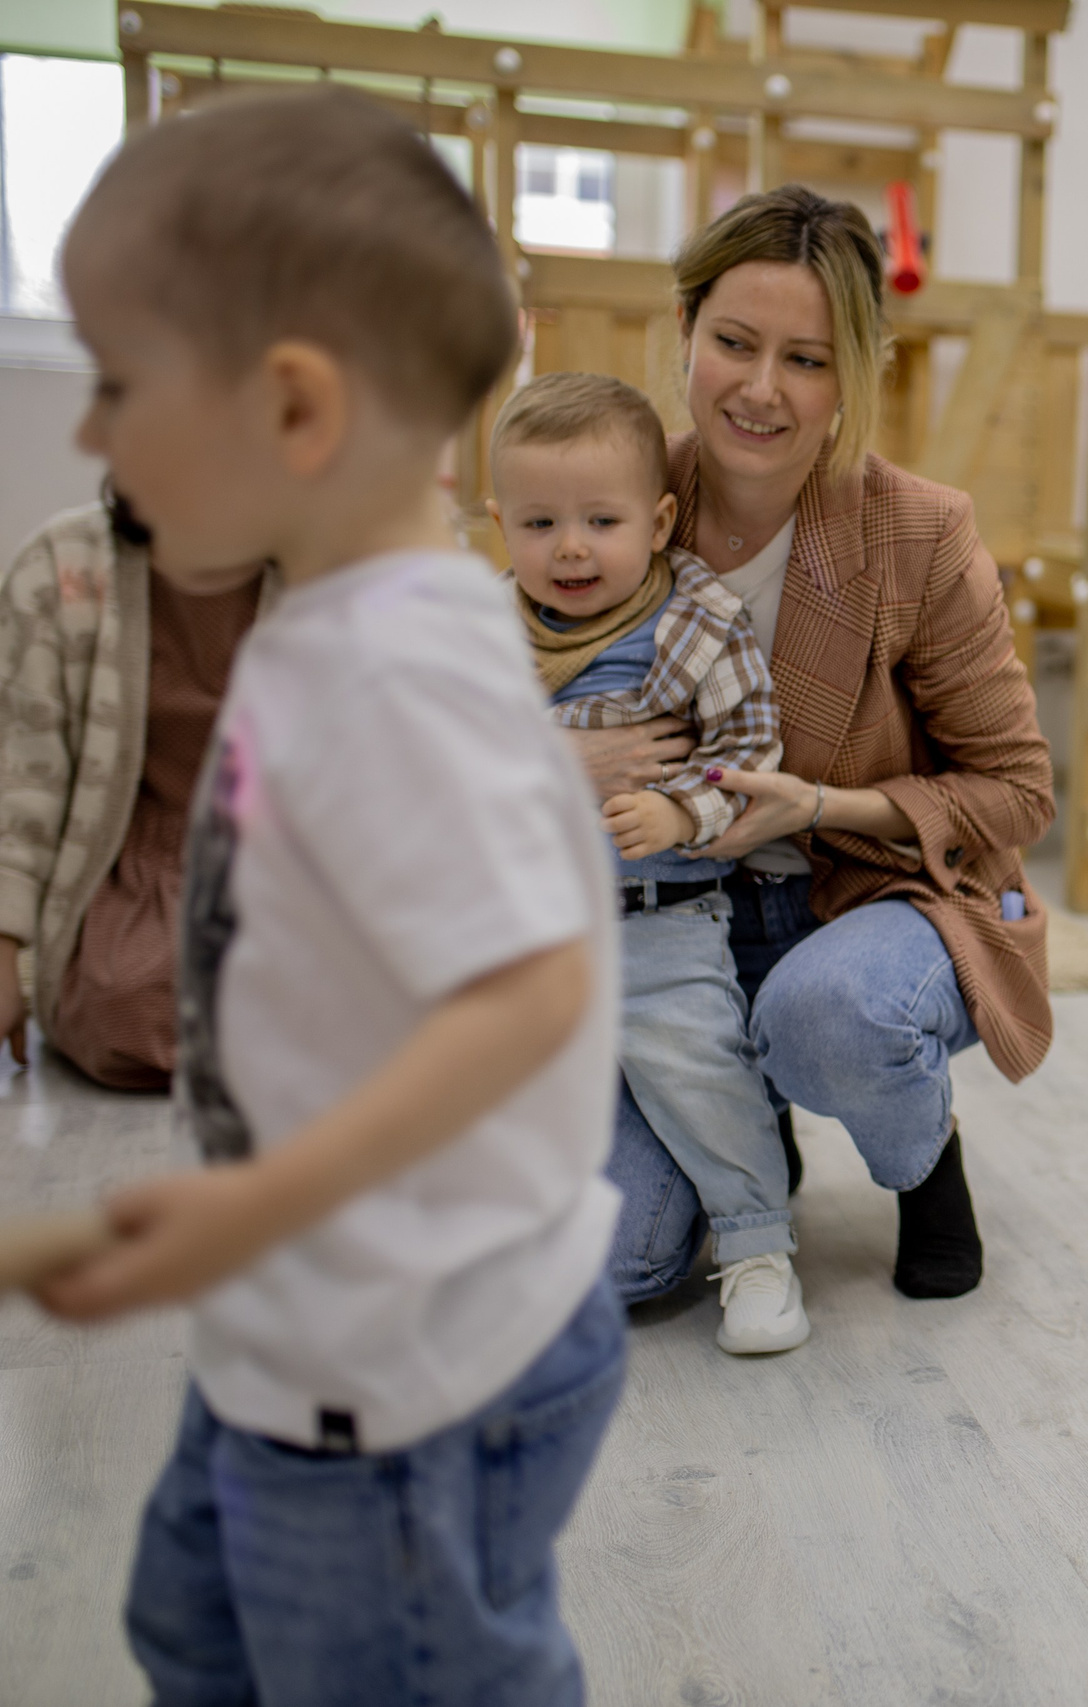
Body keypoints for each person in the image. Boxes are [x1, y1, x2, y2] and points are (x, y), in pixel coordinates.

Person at [34, 89, 624, 1704]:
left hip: (404, 1374)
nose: (92, 436)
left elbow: (533, 989)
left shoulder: (397, 677)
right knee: (194, 1633)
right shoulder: (332, 626)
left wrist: (256, 1204)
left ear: (294, 408)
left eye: (116, 383)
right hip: (304, 1316)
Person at [574, 186, 1053, 1305]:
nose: (760, 389)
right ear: (683, 331)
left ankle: (924, 1161)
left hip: (862, 899)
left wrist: (824, 808)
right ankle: (754, 1125)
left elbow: (1018, 788)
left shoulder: (918, 531)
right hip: (668, 924)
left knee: (825, 1013)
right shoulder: (615, 500)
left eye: (807, 359)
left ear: (854, 375)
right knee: (622, 1266)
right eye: (734, 343)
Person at [490, 371, 807, 1356]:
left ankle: (758, 1251)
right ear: (501, 526)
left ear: (660, 519)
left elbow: (754, 750)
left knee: (698, 1074)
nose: (570, 547)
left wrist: (680, 811)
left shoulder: (691, 618)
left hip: (657, 923)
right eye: (539, 523)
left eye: (600, 520)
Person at [0, 490, 268, 1089]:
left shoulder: (330, 570)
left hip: (283, 869)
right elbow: (21, 776)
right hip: (129, 870)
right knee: (129, 1006)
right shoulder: (60, 565)